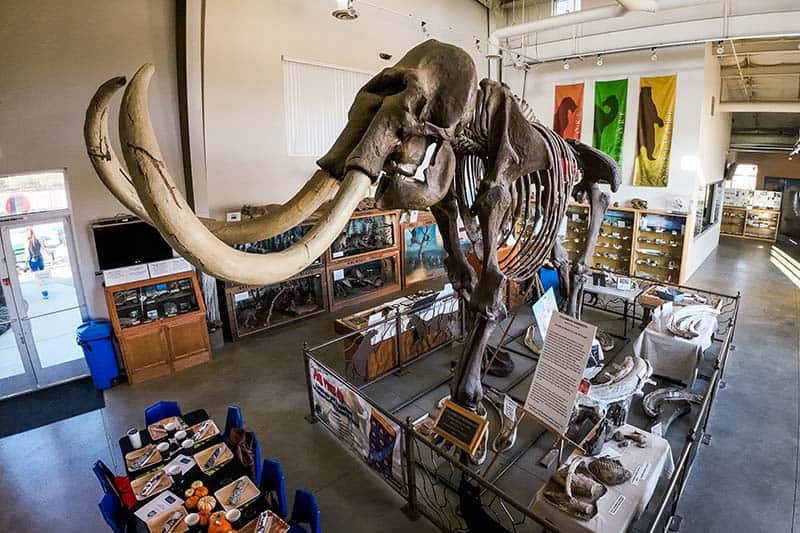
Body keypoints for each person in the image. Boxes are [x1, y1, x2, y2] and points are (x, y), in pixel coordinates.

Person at [26, 228, 48, 299]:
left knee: (39, 277)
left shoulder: (31, 241)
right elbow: (41, 248)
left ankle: (44, 292)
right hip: (37, 259)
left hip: (35, 260)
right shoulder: (35, 240)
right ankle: (44, 291)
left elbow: (28, 254)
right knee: (40, 277)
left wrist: (27, 263)